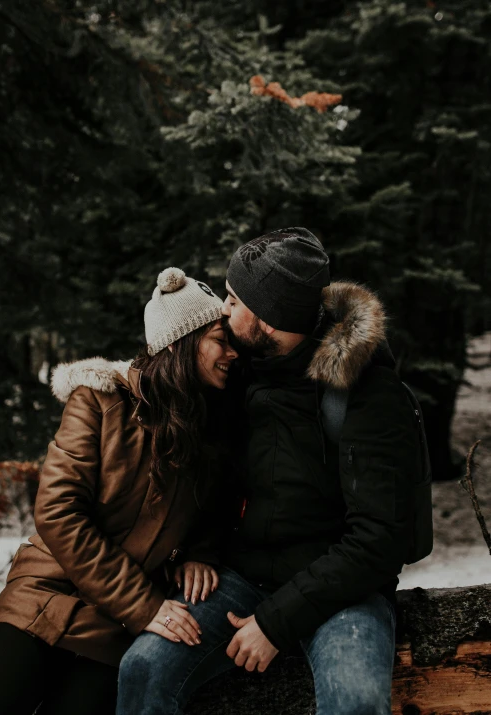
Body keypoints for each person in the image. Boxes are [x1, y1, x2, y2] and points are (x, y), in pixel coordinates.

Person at [118, 228, 427, 715]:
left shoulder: (368, 392)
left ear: (270, 316)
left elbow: (379, 540)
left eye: (234, 298)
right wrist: (199, 550)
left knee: (357, 703)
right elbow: (200, 460)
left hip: (343, 591)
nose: (223, 309)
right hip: (243, 577)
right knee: (143, 669)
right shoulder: (238, 370)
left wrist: (274, 623)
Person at [0, 267, 238, 715]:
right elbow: (59, 513)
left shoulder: (212, 425)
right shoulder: (99, 400)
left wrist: (201, 552)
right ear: (183, 343)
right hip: (45, 596)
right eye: (221, 339)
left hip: (115, 630)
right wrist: (145, 607)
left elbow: (220, 506)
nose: (232, 352)